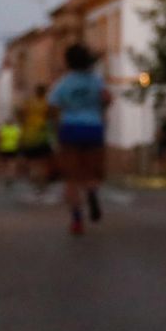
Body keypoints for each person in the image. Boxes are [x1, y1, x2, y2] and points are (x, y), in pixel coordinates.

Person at [48, 44, 109, 235]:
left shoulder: (63, 83)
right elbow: (107, 98)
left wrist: (55, 130)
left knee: (71, 178)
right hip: (93, 127)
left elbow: (52, 106)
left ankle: (76, 219)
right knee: (91, 172)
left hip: (70, 128)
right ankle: (91, 191)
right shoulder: (96, 80)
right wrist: (99, 110)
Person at [19, 85, 53, 192]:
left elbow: (21, 115)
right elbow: (51, 116)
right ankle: (42, 184)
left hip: (30, 135)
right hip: (42, 134)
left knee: (32, 162)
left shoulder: (29, 102)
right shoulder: (46, 103)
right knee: (43, 162)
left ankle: (35, 182)